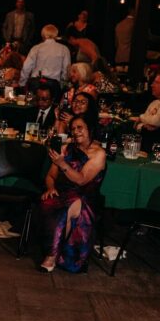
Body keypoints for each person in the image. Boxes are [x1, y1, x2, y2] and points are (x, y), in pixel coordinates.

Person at [39, 114, 107, 273]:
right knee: (47, 202)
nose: (76, 132)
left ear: (90, 129)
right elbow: (50, 176)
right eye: (73, 129)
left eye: (80, 128)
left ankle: (52, 255)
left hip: (86, 197)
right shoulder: (67, 148)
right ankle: (54, 249)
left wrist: (62, 163)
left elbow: (82, 180)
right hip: (64, 192)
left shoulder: (99, 153)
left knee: (69, 207)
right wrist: (50, 188)